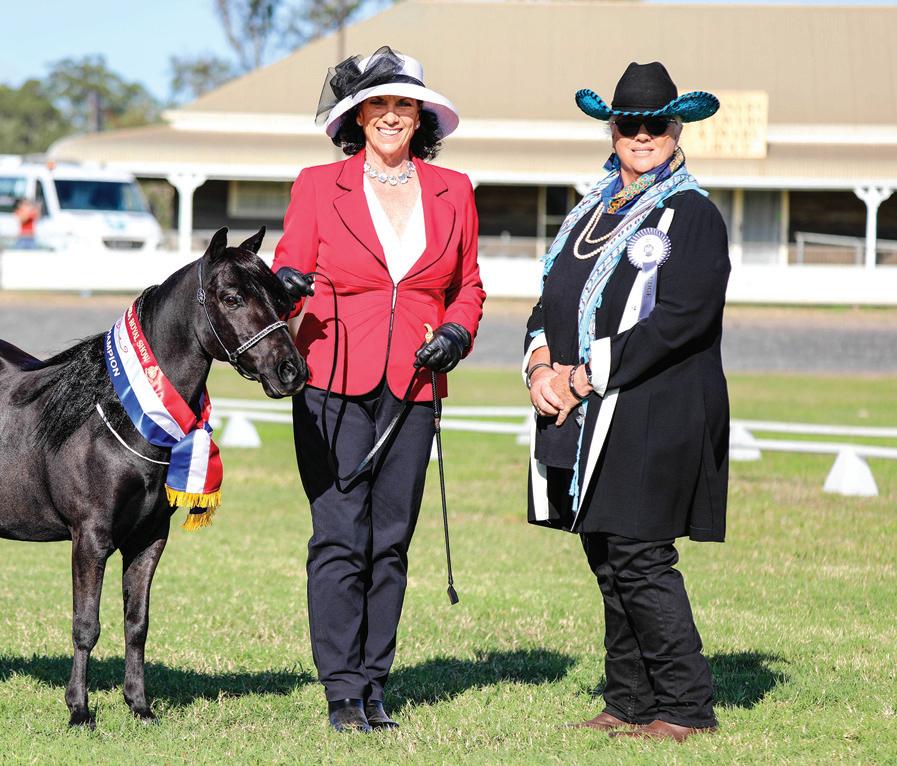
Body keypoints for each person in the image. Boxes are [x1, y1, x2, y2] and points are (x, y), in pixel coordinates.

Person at [272, 46, 485, 734]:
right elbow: (286, 271)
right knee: (340, 535)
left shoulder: (454, 189)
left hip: (415, 383)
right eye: (378, 105)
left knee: (390, 540)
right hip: (330, 381)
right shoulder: (316, 185)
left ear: (420, 117)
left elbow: (468, 286)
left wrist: (456, 332)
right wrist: (285, 286)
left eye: (403, 105)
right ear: (358, 117)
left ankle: (373, 683)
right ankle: (340, 689)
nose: (391, 116)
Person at [523, 62, 730, 742]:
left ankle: (685, 705)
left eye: (655, 125)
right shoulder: (589, 210)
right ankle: (630, 699)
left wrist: (585, 377)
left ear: (677, 130)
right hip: (592, 411)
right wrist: (541, 368)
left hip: (655, 406)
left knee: (640, 555)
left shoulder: (692, 215)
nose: (642, 136)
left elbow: (682, 319)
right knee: (607, 554)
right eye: (628, 125)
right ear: (612, 131)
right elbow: (551, 299)